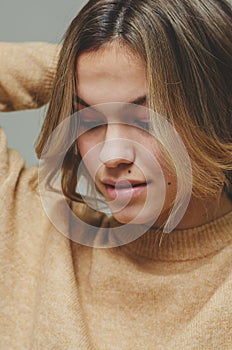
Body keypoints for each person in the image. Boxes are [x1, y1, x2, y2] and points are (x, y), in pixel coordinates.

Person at [0, 0, 232, 349]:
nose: (110, 155)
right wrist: (76, 69)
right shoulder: (31, 222)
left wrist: (199, 59)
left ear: (214, 108)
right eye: (89, 120)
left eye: (145, 120)